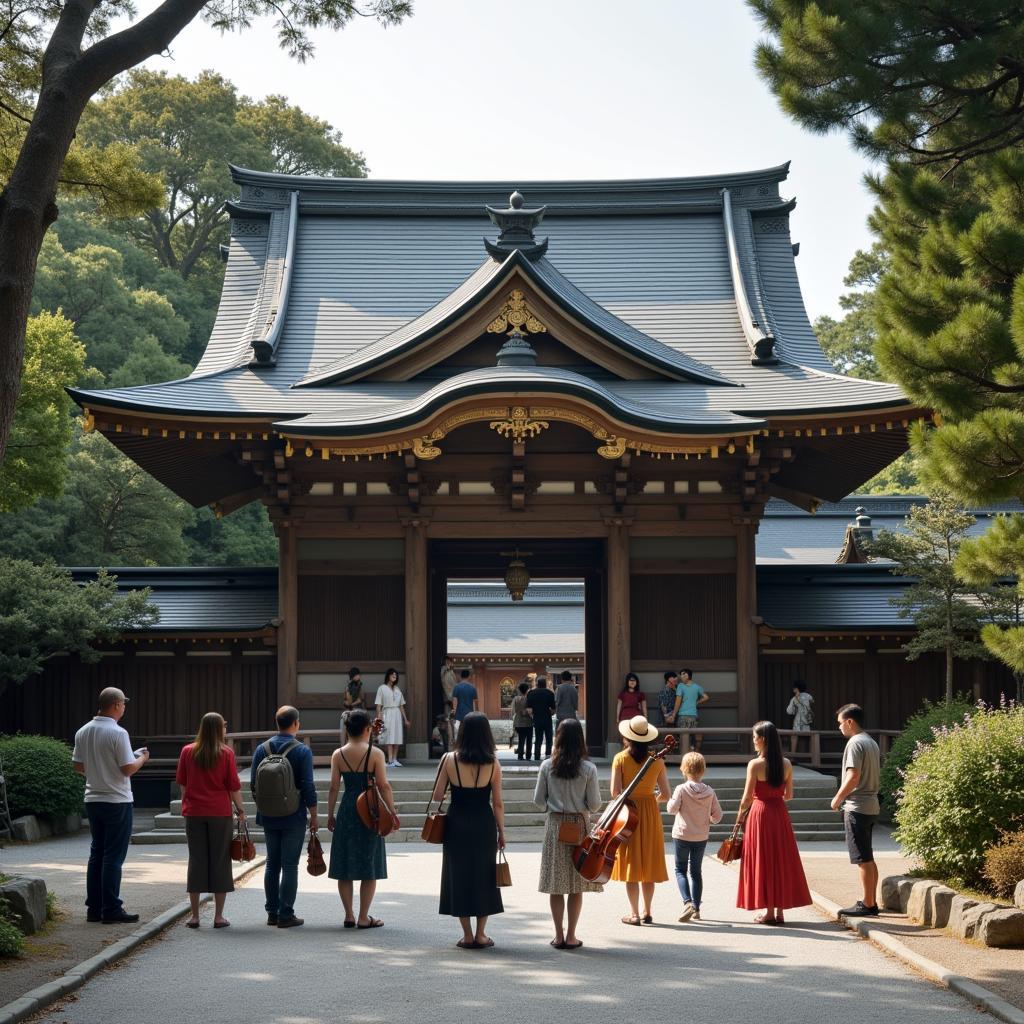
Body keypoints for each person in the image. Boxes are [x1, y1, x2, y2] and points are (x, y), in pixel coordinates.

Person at [72, 687, 149, 924]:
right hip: (117, 799)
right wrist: (142, 758)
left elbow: (78, 766)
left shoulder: (83, 731)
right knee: (113, 856)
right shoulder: (118, 732)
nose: (124, 707)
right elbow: (127, 768)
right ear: (115, 705)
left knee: (97, 853)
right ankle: (112, 908)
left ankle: (94, 907)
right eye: (123, 703)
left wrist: (98, 770)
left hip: (93, 798)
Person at [433, 712, 505, 949]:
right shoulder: (493, 763)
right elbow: (498, 803)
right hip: (484, 822)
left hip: (457, 822)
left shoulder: (449, 759)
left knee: (459, 875)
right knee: (485, 876)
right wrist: (502, 832)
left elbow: (437, 796)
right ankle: (482, 933)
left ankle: (466, 934)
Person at [533, 719, 603, 949]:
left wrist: (554, 804)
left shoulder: (547, 766)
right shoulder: (588, 769)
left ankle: (558, 935)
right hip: (579, 826)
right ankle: (572, 935)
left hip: (555, 826)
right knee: (575, 884)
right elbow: (594, 805)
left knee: (556, 883)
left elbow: (538, 802)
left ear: (558, 737)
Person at [326, 709, 398, 929]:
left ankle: (348, 914)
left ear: (347, 729)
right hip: (369, 809)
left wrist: (330, 814)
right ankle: (363, 917)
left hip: (347, 808)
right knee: (369, 863)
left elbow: (333, 787)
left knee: (344, 863)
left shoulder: (338, 754)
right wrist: (392, 812)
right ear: (368, 729)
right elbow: (384, 786)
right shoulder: (376, 754)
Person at [736, 720, 812, 925]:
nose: (753, 741)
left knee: (764, 859)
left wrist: (739, 816)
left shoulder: (755, 764)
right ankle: (779, 911)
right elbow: (789, 795)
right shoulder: (786, 764)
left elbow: (746, 799)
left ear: (762, 739)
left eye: (754, 738)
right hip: (779, 813)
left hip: (760, 814)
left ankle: (768, 912)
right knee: (780, 859)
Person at [251, 706, 318, 928]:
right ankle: (286, 914)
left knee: (272, 864)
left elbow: (253, 785)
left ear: (277, 722)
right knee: (290, 865)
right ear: (296, 723)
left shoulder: (262, 749)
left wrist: (266, 805)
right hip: (293, 814)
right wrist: (314, 814)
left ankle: (272, 912)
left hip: (268, 814)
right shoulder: (302, 751)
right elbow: (308, 787)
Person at [176, 712, 245, 929]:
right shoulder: (226, 753)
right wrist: (241, 810)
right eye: (224, 727)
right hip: (219, 812)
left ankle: (194, 916)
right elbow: (233, 786)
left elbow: (183, 783)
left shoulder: (187, 751)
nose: (225, 730)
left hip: (194, 811)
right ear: (218, 729)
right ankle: (218, 916)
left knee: (196, 860)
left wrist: (185, 802)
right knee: (220, 861)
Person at [611, 715, 669, 925]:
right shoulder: (658, 760)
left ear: (628, 737)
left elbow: (615, 792)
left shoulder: (620, 759)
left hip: (629, 813)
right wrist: (651, 798)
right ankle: (647, 911)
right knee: (649, 862)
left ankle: (634, 913)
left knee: (631, 862)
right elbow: (666, 795)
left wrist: (632, 799)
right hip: (650, 813)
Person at [830, 703, 881, 917]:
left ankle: (868, 904)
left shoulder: (854, 743)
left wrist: (837, 798)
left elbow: (853, 776)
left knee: (863, 858)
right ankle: (871, 901)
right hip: (871, 805)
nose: (840, 728)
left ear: (850, 722)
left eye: (841, 723)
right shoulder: (871, 741)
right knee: (868, 856)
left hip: (857, 806)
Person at [667, 751, 722, 923]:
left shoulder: (681, 789)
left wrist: (669, 800)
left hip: (682, 835)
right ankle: (696, 908)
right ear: (703, 770)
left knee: (680, 870)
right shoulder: (710, 791)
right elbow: (718, 816)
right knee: (696, 872)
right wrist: (709, 819)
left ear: (684, 769)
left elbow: (672, 809)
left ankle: (687, 902)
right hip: (700, 836)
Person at [375, 668, 410, 768]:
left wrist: (405, 719)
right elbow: (378, 705)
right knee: (389, 736)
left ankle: (395, 759)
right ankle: (389, 760)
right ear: (388, 676)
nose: (394, 676)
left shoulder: (397, 689)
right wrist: (379, 718)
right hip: (387, 712)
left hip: (397, 714)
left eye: (396, 675)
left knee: (397, 736)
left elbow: (401, 706)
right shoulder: (382, 688)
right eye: (392, 674)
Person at [671, 669, 709, 750]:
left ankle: (685, 757)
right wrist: (697, 702)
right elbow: (706, 697)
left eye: (683, 674)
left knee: (683, 737)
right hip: (693, 715)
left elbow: (678, 701)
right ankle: (692, 754)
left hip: (683, 715)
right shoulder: (697, 687)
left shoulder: (681, 686)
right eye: (681, 675)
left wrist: (674, 714)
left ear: (688, 675)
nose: (681, 676)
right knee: (691, 737)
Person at [526, 675, 556, 761]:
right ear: (545, 684)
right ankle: (547, 755)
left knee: (538, 738)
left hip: (537, 718)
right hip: (547, 717)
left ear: (537, 684)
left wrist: (533, 716)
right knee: (549, 737)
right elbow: (553, 709)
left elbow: (529, 709)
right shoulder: (550, 693)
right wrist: (549, 714)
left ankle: (537, 755)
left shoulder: (531, 693)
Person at [785, 679, 814, 754]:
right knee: (810, 736)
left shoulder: (794, 699)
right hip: (806, 719)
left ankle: (793, 755)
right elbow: (812, 701)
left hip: (798, 719)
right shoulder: (808, 696)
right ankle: (812, 755)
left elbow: (789, 711)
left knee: (794, 736)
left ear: (796, 688)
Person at [341, 666, 364, 742]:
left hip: (358, 710)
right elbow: (346, 700)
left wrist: (352, 704)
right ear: (353, 676)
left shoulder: (360, 686)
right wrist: (348, 691)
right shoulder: (348, 686)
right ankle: (346, 744)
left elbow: (361, 699)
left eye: (359, 675)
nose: (358, 676)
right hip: (349, 710)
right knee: (346, 726)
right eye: (357, 675)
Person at [511, 682, 533, 761]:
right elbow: (531, 711)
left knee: (521, 739)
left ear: (519, 690)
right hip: (528, 722)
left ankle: (520, 755)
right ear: (527, 690)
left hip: (518, 722)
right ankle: (528, 756)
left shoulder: (516, 699)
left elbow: (512, 711)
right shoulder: (529, 698)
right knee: (529, 740)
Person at [440, 655, 458, 733]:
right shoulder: (444, 670)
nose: (449, 663)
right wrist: (450, 697)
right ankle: (449, 739)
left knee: (452, 719)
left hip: (453, 697)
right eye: (447, 662)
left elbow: (455, 684)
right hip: (448, 698)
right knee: (448, 718)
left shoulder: (451, 672)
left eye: (450, 661)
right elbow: (444, 683)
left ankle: (453, 739)